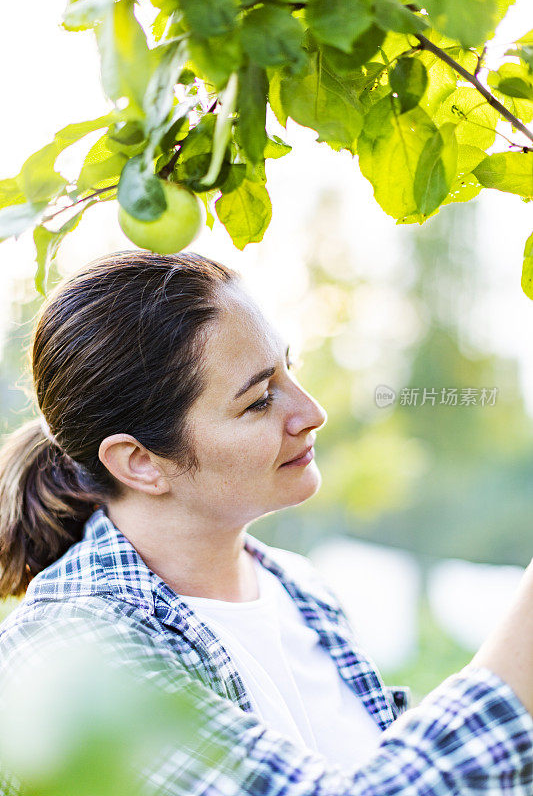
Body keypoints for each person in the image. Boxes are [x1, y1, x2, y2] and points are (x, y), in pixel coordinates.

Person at [0, 250, 532, 795]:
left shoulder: (300, 591)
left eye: (289, 369)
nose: (312, 412)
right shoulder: (68, 657)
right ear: (140, 462)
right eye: (259, 401)